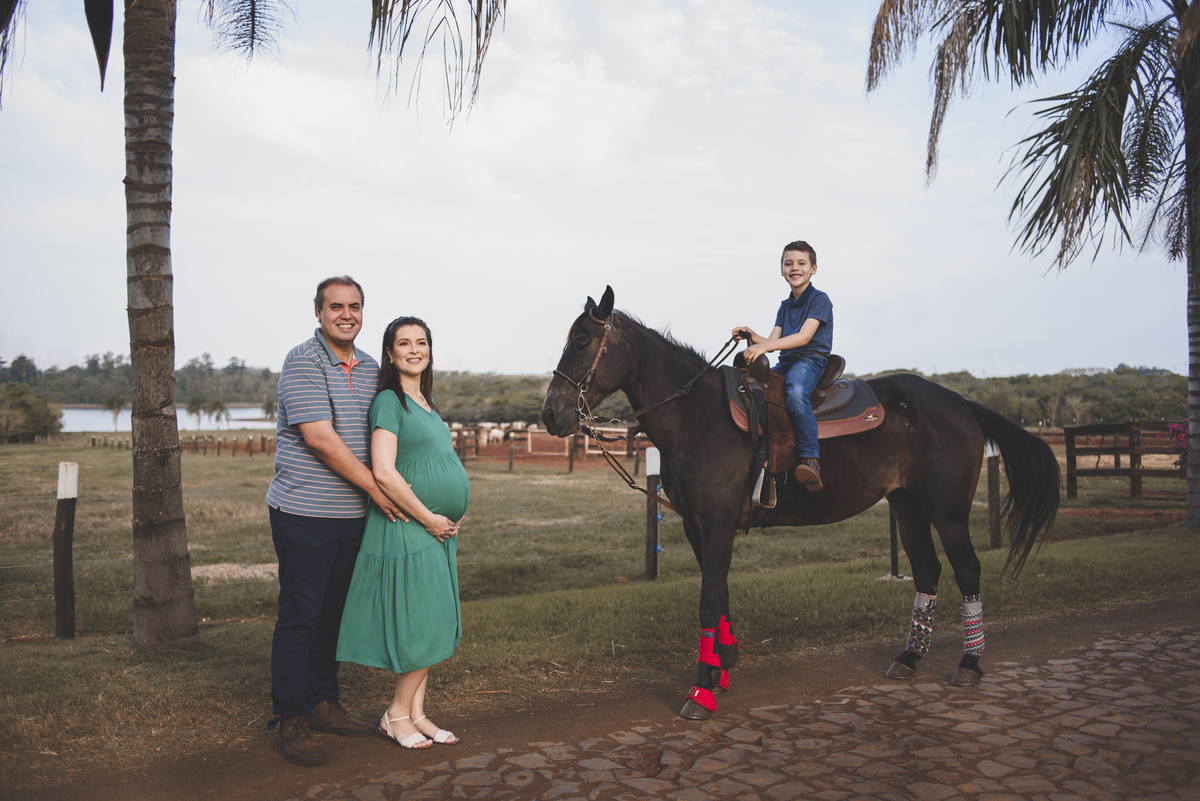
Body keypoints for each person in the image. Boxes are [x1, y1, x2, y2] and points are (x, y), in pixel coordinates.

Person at [266, 276, 405, 766]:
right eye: (335, 307)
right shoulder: (303, 360)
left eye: (355, 307)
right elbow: (320, 438)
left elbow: (388, 430)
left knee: (333, 614)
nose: (346, 314)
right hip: (305, 511)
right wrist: (376, 488)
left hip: (353, 516)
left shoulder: (371, 367)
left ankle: (323, 702)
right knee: (300, 615)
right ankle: (290, 716)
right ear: (319, 312)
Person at [336, 316, 468, 750]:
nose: (415, 350)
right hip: (409, 526)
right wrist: (430, 518)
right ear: (390, 354)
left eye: (422, 342)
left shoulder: (426, 402)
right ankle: (395, 715)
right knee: (422, 625)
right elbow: (385, 472)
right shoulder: (389, 402)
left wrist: (450, 512)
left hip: (436, 529)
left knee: (434, 620)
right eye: (404, 343)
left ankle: (417, 714)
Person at [731, 240, 834, 491]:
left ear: (814, 269)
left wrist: (764, 347)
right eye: (789, 263)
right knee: (751, 388)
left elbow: (804, 337)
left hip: (810, 362)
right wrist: (751, 335)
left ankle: (810, 457)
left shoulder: (820, 300)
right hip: (786, 362)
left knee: (796, 393)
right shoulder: (785, 306)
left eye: (801, 263)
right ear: (781, 270)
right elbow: (773, 341)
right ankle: (763, 452)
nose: (794, 268)